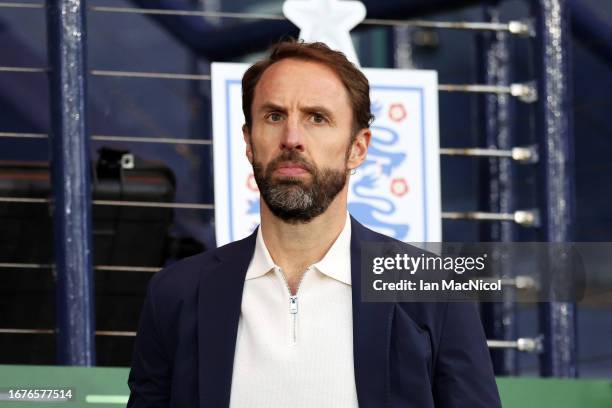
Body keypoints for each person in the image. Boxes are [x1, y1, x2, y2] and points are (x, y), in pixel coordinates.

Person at [127, 40, 501, 408]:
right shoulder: (175, 294)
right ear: (248, 141)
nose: (292, 139)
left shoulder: (434, 292)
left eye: (317, 118)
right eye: (274, 116)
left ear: (358, 148)